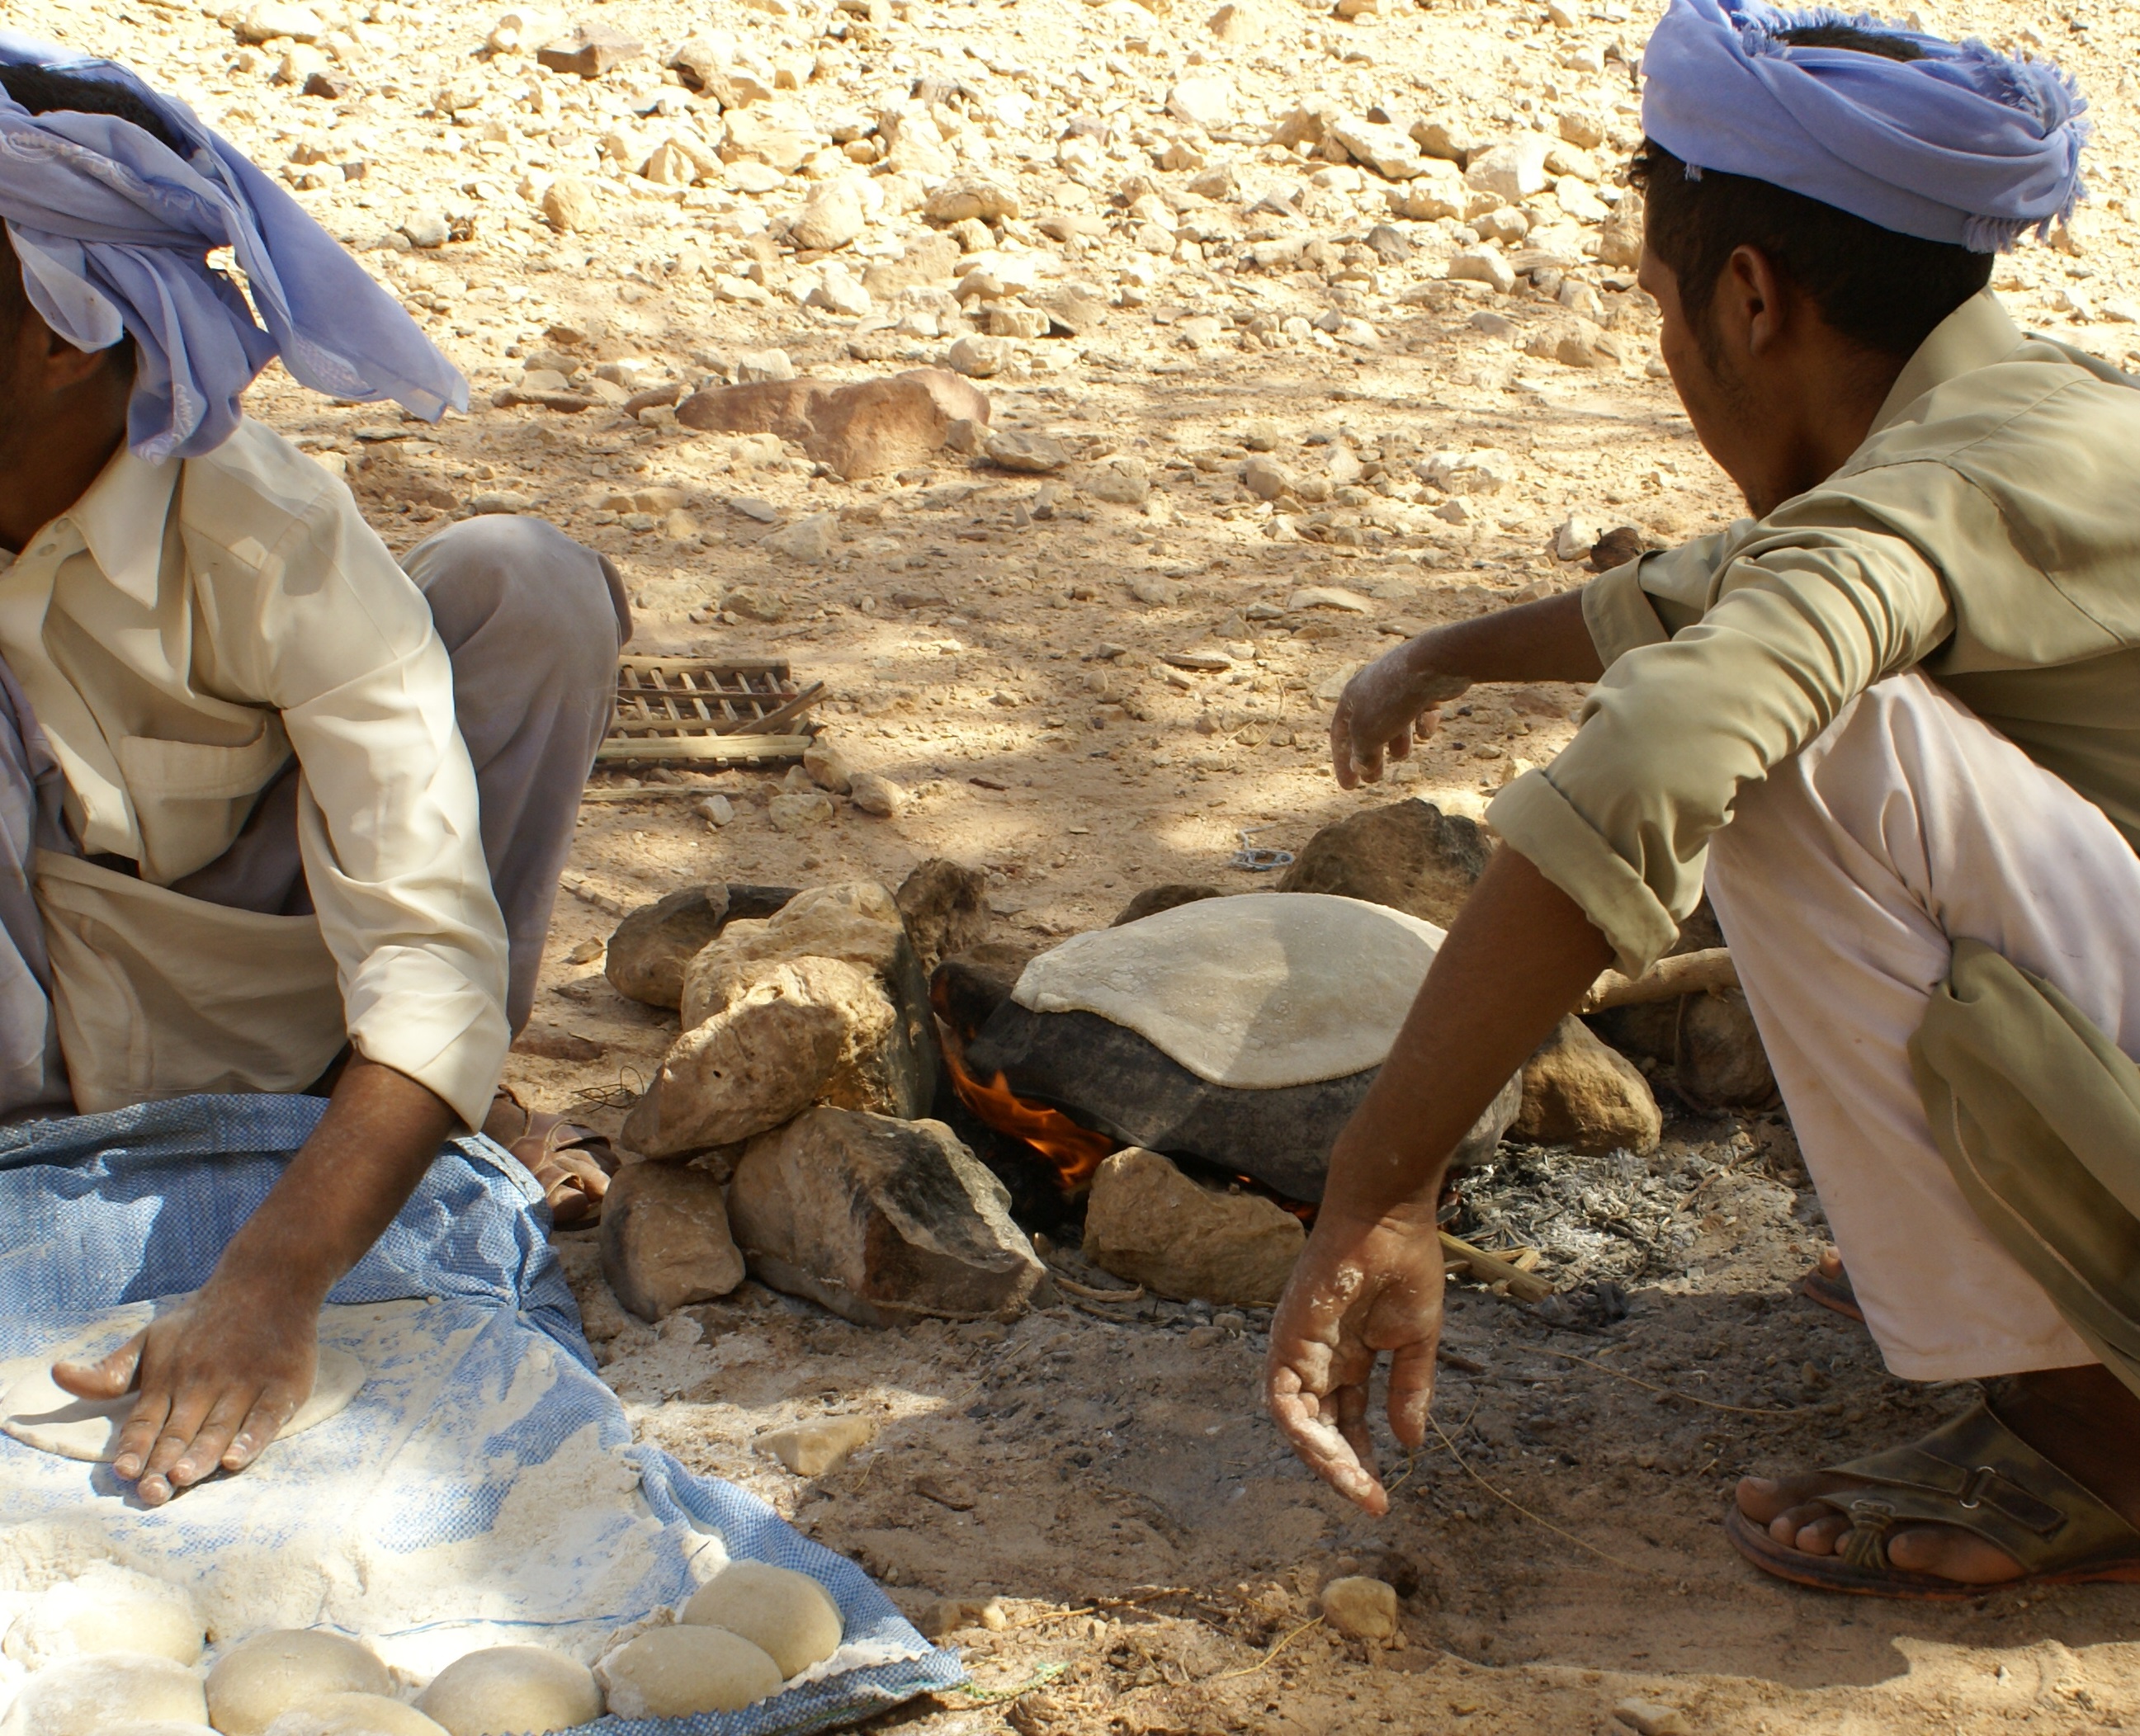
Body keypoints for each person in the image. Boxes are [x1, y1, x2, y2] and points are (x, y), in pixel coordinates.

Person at [1266, 0, 2140, 1597]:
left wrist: (1377, 1187)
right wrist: (1446, 656)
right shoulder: (2047, 418)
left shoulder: (1924, 495)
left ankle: (2101, 1435)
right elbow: (1718, 587)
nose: (1668, 355)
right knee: (1795, 688)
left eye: (1657, 307)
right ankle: (2040, 1280)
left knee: (1800, 749)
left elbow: (1673, 740)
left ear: (1746, 299)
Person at [0, 40, 626, 1505]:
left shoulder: (266, 537)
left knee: (521, 583)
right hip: (37, 1009)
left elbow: (424, 946)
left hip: (280, 993)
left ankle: (412, 1118)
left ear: (62, 331)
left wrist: (272, 1285)